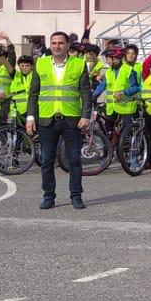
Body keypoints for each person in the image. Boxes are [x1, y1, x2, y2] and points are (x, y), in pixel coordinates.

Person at [25, 31, 94, 210]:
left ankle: (76, 196)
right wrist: (30, 117)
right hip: (47, 119)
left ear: (68, 45)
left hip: (72, 119)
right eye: (54, 43)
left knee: (74, 160)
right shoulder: (40, 63)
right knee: (47, 160)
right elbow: (33, 93)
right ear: (50, 45)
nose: (57, 46)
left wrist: (86, 115)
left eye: (61, 43)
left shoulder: (79, 64)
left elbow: (86, 93)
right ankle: (48, 196)